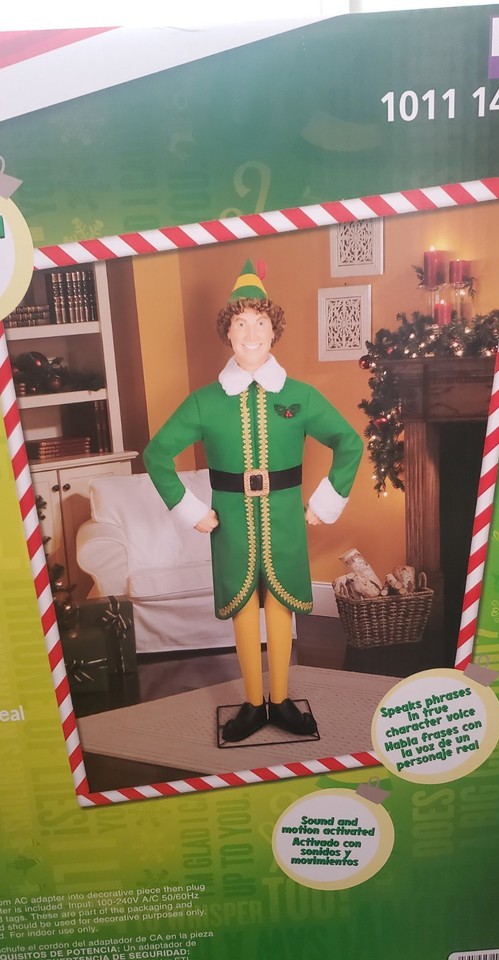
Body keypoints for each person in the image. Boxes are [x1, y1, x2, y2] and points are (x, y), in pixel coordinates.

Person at [144, 260, 363, 742]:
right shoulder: (204, 401)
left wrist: (324, 501)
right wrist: (191, 510)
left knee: (280, 605)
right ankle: (251, 702)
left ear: (273, 331)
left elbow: (350, 442)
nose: (250, 334)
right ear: (227, 331)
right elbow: (156, 454)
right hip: (230, 521)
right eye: (240, 323)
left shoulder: (300, 396)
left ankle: (280, 701)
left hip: (285, 518)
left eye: (260, 323)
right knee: (243, 606)